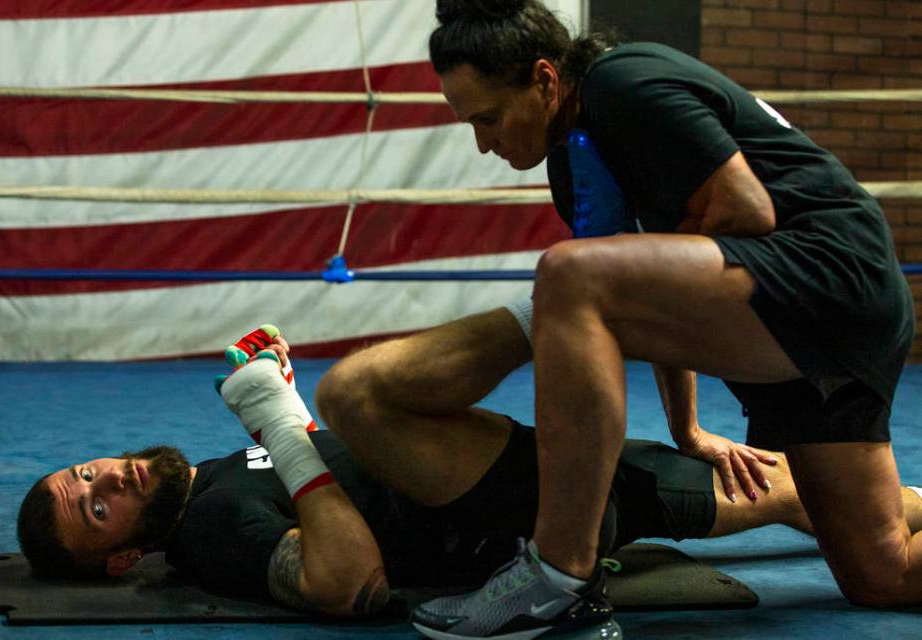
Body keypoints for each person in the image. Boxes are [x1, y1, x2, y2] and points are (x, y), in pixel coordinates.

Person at [339, 0, 917, 637]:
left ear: (544, 79)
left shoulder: (626, 82)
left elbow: (745, 211)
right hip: (813, 327)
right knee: (879, 573)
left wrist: (643, 285)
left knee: (568, 274)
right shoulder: (576, 162)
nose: (484, 143)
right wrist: (687, 429)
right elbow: (649, 297)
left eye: (490, 118)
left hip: (829, 275)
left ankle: (558, 575)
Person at [17, 315, 922, 625]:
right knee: (356, 396)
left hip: (523, 469)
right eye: (93, 510)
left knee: (821, 504)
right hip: (514, 508)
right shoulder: (210, 532)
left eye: (85, 473)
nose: (108, 480)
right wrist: (284, 420)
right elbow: (349, 581)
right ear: (123, 562)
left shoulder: (213, 477)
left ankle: (570, 308)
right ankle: (569, 307)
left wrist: (278, 421)